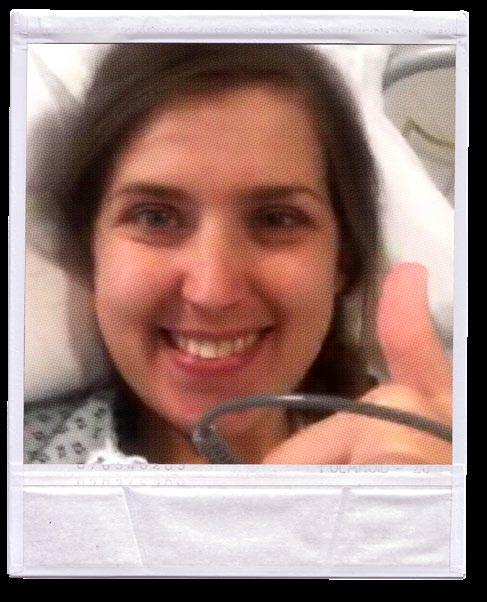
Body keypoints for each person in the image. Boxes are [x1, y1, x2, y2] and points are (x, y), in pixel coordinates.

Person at [25, 44, 452, 464]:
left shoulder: (430, 448)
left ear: (342, 259)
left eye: (276, 220)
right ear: (92, 250)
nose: (213, 292)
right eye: (155, 217)